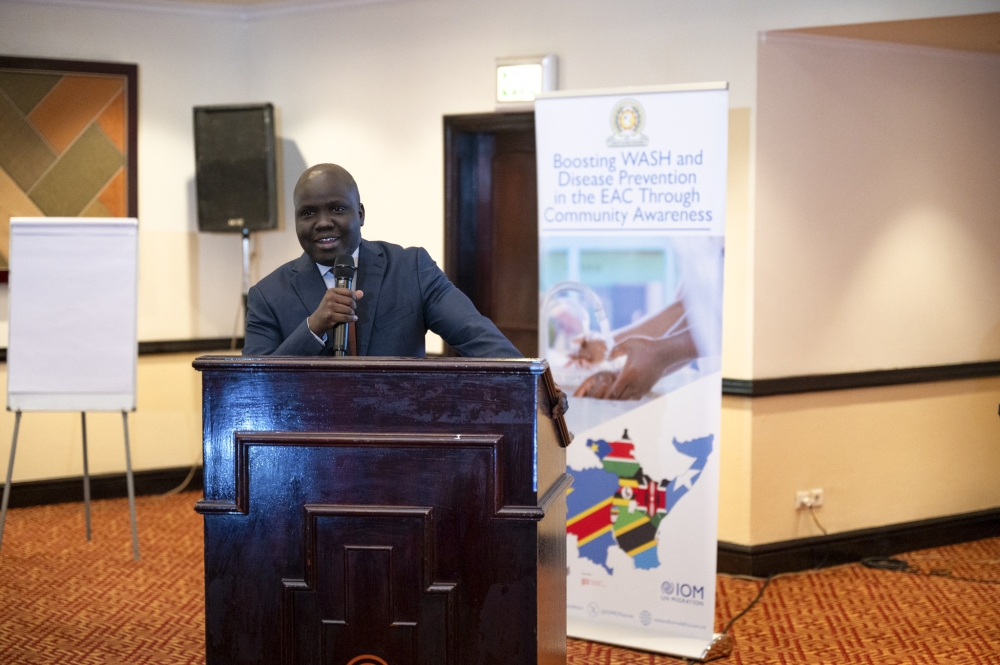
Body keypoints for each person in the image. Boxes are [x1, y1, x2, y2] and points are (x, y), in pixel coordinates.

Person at [243, 163, 568, 415]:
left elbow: (472, 332)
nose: (323, 222)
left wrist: (533, 384)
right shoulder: (267, 296)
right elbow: (251, 389)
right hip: (308, 451)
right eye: (308, 213)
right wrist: (313, 327)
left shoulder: (411, 268)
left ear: (360, 214)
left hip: (402, 442)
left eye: (337, 208)